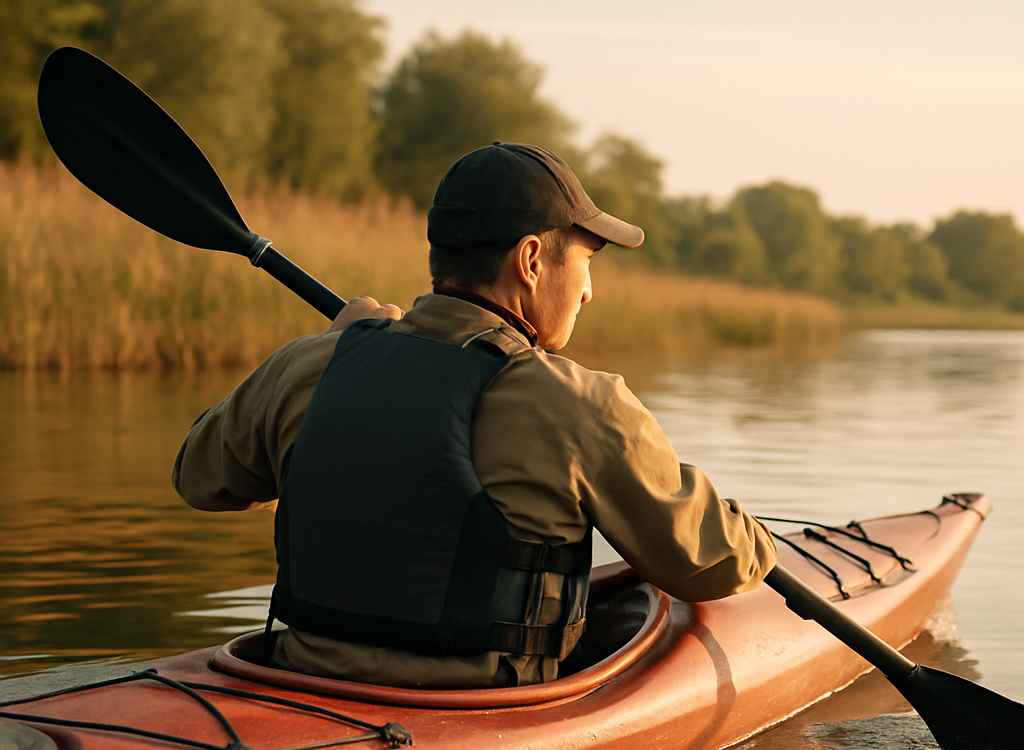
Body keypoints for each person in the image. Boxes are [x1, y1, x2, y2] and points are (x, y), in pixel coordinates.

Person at [173, 142, 776, 688]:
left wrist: (334, 348)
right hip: (472, 717)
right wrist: (759, 538)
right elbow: (711, 562)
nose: (589, 291)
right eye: (589, 260)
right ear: (532, 260)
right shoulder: (583, 405)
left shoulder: (311, 365)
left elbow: (199, 477)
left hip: (299, 687)